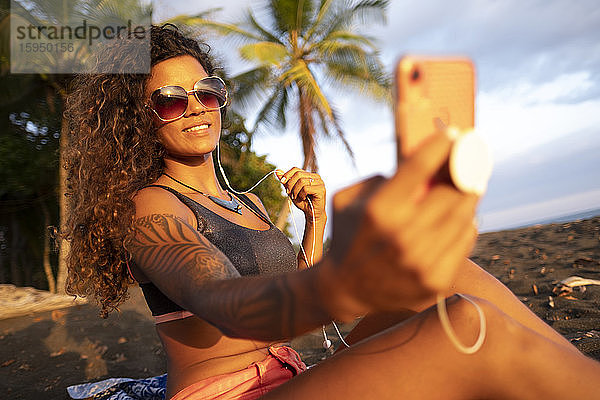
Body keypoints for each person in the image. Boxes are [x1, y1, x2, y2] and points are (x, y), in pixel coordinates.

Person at [63, 24, 600, 400]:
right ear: (139, 120)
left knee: (457, 280)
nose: (197, 107)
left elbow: (292, 295)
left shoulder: (245, 202)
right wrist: (348, 284)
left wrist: (316, 221)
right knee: (469, 324)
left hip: (293, 376)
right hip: (229, 393)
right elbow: (220, 299)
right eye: (171, 100)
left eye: (208, 91)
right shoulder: (150, 207)